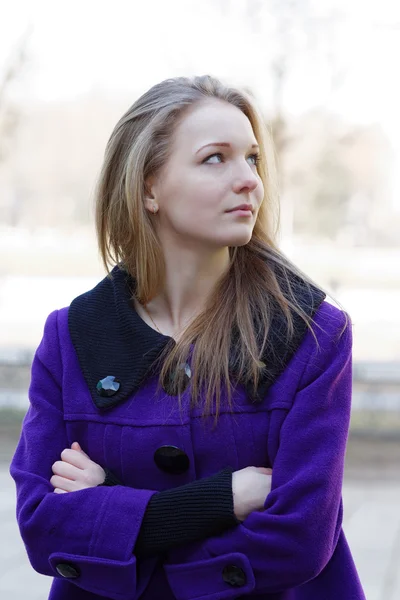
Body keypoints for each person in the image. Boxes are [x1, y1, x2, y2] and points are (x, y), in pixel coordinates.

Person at [9, 74, 366, 600]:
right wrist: (223, 499)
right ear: (148, 187)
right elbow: (43, 528)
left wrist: (111, 510)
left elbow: (299, 538)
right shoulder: (72, 338)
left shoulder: (312, 335)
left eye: (252, 159)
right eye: (215, 158)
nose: (248, 179)